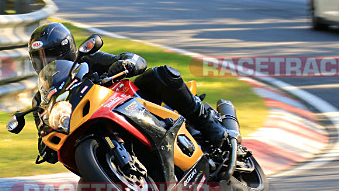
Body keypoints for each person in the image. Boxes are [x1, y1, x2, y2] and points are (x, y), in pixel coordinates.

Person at [28, 22, 227, 163]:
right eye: (39, 59)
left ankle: (209, 124)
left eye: (52, 55)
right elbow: (44, 139)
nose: (46, 63)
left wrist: (125, 64)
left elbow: (135, 59)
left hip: (129, 106)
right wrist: (46, 146)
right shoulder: (42, 98)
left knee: (161, 75)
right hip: (91, 132)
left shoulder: (88, 60)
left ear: (67, 49)